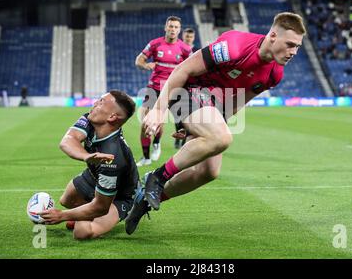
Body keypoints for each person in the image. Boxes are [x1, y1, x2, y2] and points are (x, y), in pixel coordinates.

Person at [125, 12, 306, 235]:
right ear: (272, 35)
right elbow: (183, 70)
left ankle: (144, 201)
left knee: (209, 171)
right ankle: (157, 177)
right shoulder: (235, 46)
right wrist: (158, 110)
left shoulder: (274, 74)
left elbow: (237, 101)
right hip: (185, 89)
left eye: (297, 47)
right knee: (222, 138)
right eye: (289, 44)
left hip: (209, 103)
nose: (293, 52)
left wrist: (203, 128)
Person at [39, 90, 139, 240]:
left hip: (120, 196)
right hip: (95, 176)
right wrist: (87, 157)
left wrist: (62, 215)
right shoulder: (91, 119)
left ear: (112, 117)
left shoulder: (113, 157)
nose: (94, 104)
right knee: (66, 200)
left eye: (101, 102)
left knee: (82, 232)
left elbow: (101, 206)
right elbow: (68, 140)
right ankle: (86, 209)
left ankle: (136, 202)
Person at [135, 16, 192, 167]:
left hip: (173, 89)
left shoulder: (185, 49)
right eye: (170, 26)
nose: (173, 29)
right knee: (145, 122)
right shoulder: (155, 44)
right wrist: (146, 66)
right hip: (154, 87)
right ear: (165, 27)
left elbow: (192, 68)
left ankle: (157, 143)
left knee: (163, 121)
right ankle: (146, 157)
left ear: (179, 30)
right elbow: (139, 60)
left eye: (176, 27)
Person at [174, 28, 200, 149]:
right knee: (177, 111)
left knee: (191, 112)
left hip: (193, 86)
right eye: (186, 36)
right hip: (179, 84)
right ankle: (180, 133)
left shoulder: (198, 50)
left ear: (193, 38)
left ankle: (187, 137)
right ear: (183, 36)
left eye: (190, 37)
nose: (188, 38)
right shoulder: (177, 48)